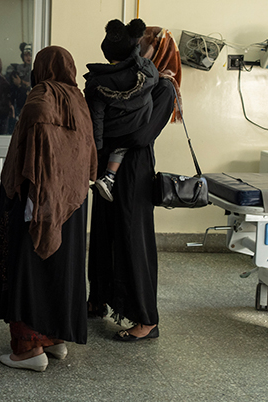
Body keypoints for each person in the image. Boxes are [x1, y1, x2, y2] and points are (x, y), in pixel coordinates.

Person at [0, 46, 97, 372]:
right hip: (71, 202)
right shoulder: (78, 101)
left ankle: (29, 349)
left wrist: (34, 201)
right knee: (61, 268)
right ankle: (55, 339)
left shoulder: (40, 96)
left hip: (34, 199)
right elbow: (88, 154)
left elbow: (32, 155)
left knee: (28, 267)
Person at [86, 21, 177, 341]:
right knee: (102, 235)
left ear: (157, 51)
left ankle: (146, 319)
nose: (139, 47)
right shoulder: (122, 81)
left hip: (134, 174)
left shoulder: (164, 88)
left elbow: (140, 135)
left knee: (131, 240)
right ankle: (98, 299)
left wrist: (108, 133)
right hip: (108, 171)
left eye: (146, 43)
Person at [85, 19, 157, 202]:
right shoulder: (148, 70)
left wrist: (97, 150)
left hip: (113, 133)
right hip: (140, 127)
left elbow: (96, 118)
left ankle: (107, 176)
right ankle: (109, 176)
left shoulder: (98, 81)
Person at [139, 26, 183, 123]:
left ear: (158, 51)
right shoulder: (140, 76)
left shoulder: (164, 87)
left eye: (142, 45)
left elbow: (146, 129)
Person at [6, 42, 33, 131]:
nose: (28, 57)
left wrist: (21, 83)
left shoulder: (35, 69)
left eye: (30, 55)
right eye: (26, 55)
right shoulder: (17, 68)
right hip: (17, 101)